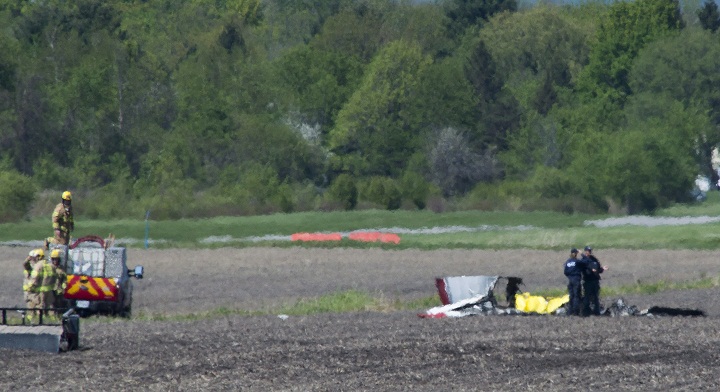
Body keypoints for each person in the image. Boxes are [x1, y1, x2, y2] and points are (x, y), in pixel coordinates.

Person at [27, 248, 58, 320]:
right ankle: (53, 320)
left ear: (38, 257)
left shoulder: (38, 266)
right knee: (50, 306)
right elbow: (55, 278)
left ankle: (41, 320)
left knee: (40, 306)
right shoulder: (51, 265)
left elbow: (34, 279)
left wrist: (30, 288)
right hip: (50, 290)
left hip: (41, 291)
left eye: (35, 257)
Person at [581, 246, 608, 316]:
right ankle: (586, 312)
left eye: (589, 251)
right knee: (587, 296)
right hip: (588, 281)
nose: (588, 252)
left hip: (595, 281)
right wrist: (590, 270)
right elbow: (584, 268)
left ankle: (597, 311)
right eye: (587, 251)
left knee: (596, 296)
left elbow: (598, 269)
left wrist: (602, 269)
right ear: (585, 251)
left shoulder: (595, 260)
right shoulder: (583, 260)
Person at [563, 248, 584, 316]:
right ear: (575, 254)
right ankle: (576, 312)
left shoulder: (568, 262)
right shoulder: (577, 261)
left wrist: (570, 276)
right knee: (576, 295)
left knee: (571, 296)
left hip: (570, 280)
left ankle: (570, 311)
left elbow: (565, 272)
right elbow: (586, 262)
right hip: (576, 280)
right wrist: (582, 254)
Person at [22, 249, 42, 319]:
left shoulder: (37, 266)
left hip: (35, 292)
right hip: (28, 292)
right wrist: (28, 259)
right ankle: (31, 321)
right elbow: (25, 264)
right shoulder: (30, 266)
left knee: (37, 309)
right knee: (30, 309)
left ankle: (37, 321)